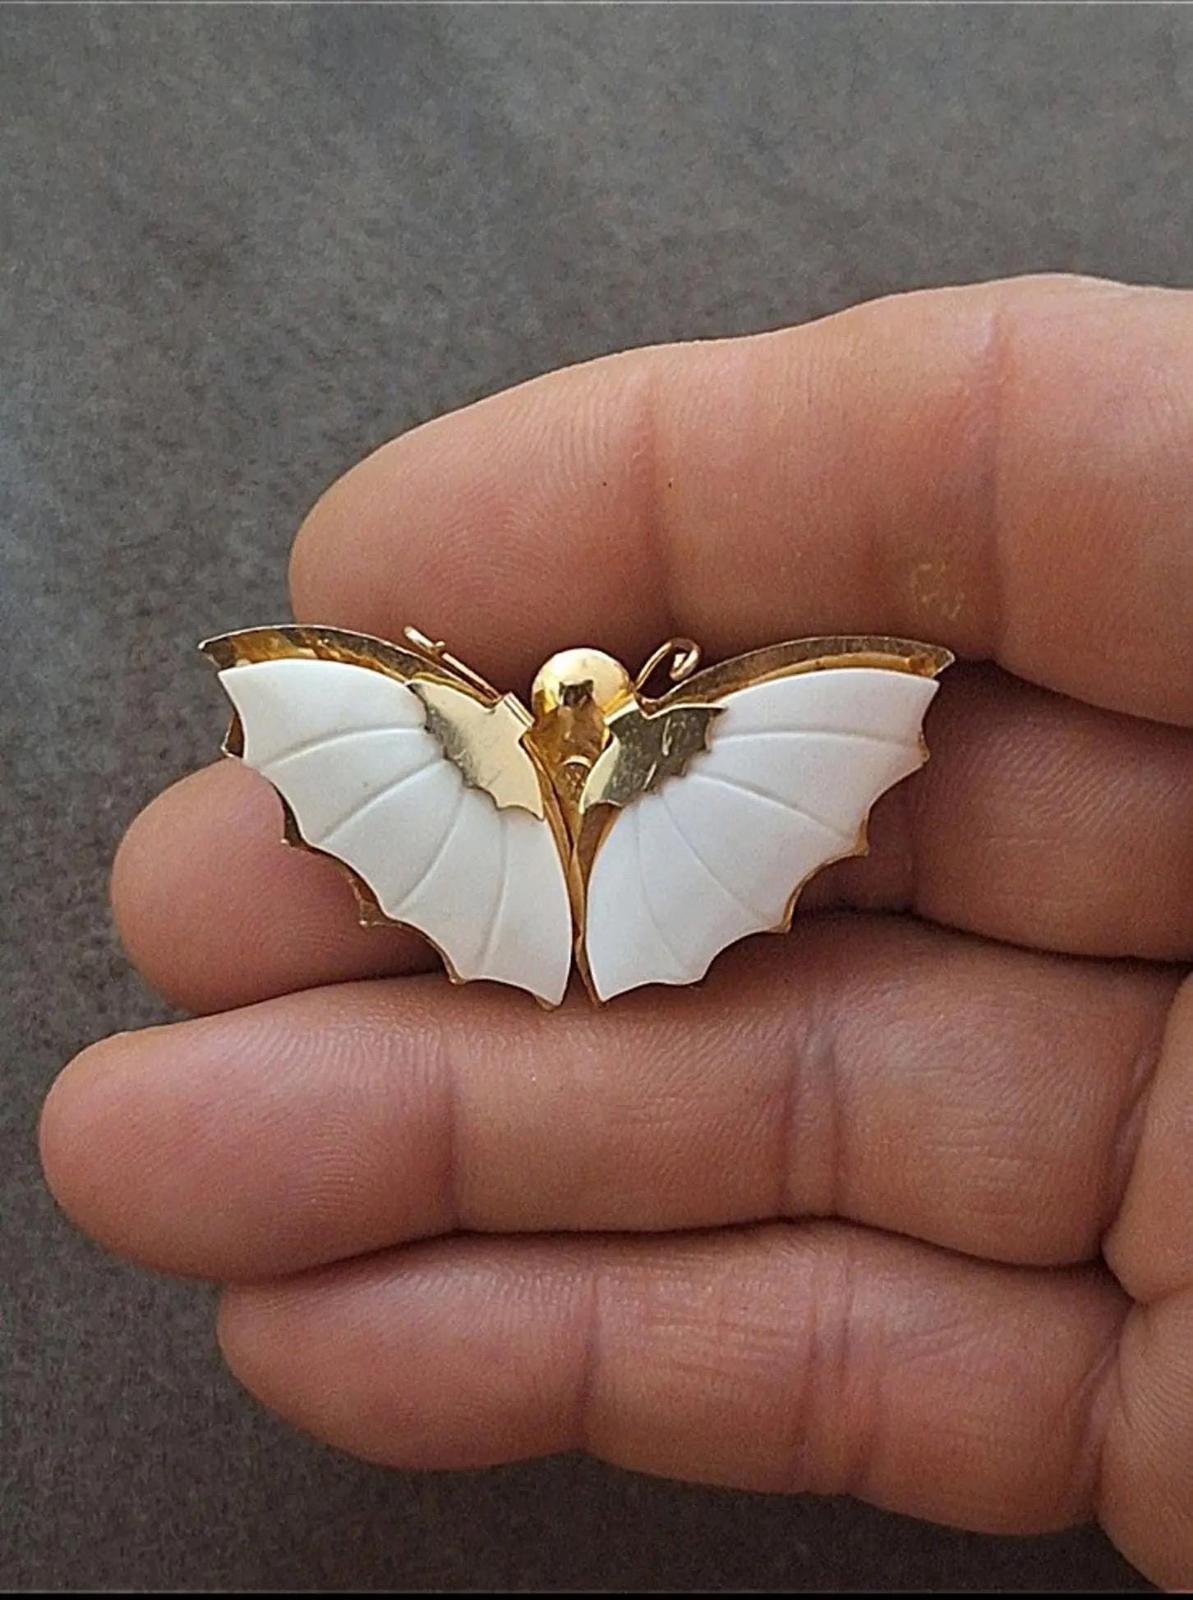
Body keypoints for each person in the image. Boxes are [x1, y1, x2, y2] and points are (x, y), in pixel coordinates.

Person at [39, 275, 1193, 1589]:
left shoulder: (646, 728)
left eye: (581, 709)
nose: (574, 728)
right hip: (566, 866)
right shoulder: (539, 726)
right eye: (567, 709)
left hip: (623, 865)